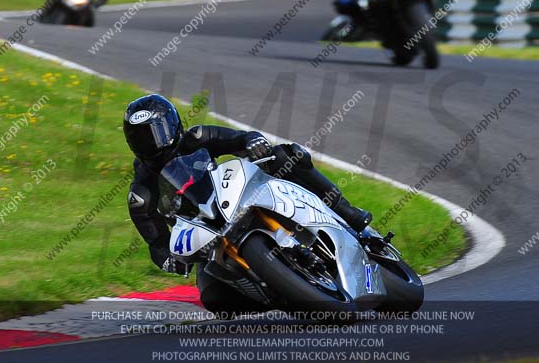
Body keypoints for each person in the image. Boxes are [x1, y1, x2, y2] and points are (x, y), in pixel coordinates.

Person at [122, 94, 372, 311]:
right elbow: (155, 241)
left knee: (288, 155)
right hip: (205, 235)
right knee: (215, 300)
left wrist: (252, 142)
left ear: (173, 124)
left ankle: (348, 213)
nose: (153, 142)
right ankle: (282, 295)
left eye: (156, 132)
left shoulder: (196, 137)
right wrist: (168, 258)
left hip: (233, 195)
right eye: (142, 138)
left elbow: (237, 139)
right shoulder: (141, 191)